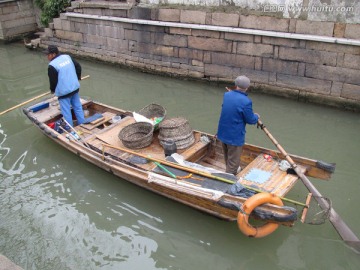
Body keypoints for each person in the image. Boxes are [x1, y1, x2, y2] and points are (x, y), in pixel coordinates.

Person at [216, 75, 260, 175]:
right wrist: (256, 116)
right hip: (234, 137)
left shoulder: (227, 95)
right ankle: (227, 182)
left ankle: (230, 171)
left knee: (228, 157)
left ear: (236, 85)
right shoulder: (246, 102)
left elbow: (229, 108)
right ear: (247, 87)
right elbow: (251, 120)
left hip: (222, 133)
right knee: (233, 164)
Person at [45, 45, 85, 127]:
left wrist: (52, 90)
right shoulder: (67, 57)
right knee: (77, 107)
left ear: (53, 54)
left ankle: (69, 129)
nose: (47, 57)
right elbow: (78, 67)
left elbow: (53, 81)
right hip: (74, 88)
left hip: (64, 93)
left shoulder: (52, 65)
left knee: (66, 112)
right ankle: (83, 124)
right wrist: (77, 78)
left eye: (48, 55)